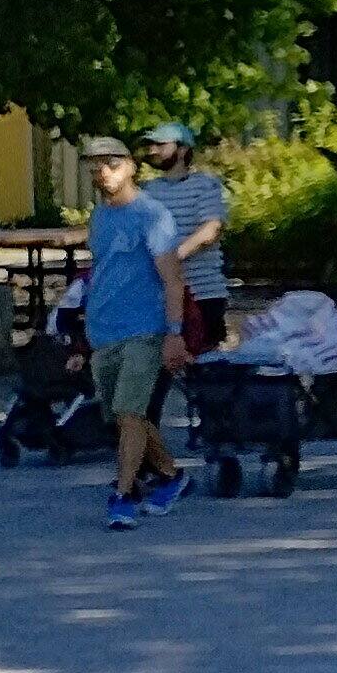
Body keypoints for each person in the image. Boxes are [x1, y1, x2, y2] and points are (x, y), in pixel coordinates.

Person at [76, 136, 196, 529]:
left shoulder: (153, 215)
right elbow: (101, 274)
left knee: (130, 412)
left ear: (130, 166)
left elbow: (173, 279)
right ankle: (172, 475)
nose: (101, 172)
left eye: (110, 164)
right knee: (122, 416)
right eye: (94, 166)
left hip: (144, 330)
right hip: (103, 331)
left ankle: (124, 494)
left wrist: (175, 333)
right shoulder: (100, 217)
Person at [137, 123, 232, 357]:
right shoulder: (147, 191)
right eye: (151, 145)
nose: (152, 151)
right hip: (160, 297)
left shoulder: (205, 185)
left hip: (202, 293)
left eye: (160, 145)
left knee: (205, 366)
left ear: (182, 149)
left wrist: (173, 256)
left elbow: (211, 228)